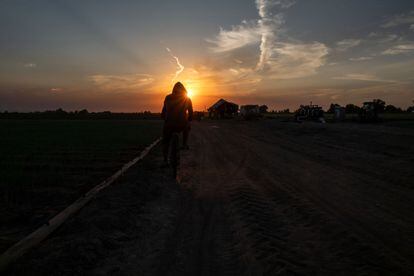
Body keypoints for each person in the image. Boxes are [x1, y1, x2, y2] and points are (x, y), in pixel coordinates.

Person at [161, 82, 193, 164]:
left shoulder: (168, 97)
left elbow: (163, 112)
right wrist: (189, 120)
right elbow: (191, 113)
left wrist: (164, 118)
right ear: (184, 90)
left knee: (166, 142)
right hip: (182, 125)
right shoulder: (187, 99)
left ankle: (165, 160)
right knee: (187, 126)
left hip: (169, 125)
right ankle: (184, 144)